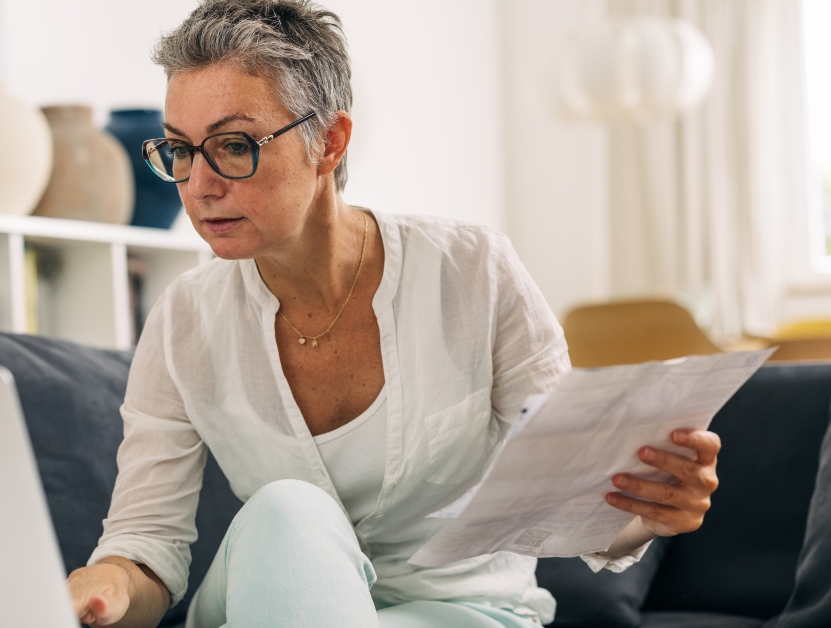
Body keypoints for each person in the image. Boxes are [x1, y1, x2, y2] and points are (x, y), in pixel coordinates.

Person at [66, 2, 722, 626]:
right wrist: (107, 588)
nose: (200, 185)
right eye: (180, 150)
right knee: (289, 511)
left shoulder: (472, 271)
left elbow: (572, 499)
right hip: (270, 596)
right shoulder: (183, 320)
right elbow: (145, 548)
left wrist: (651, 511)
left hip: (461, 612)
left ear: (330, 142)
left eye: (234, 145)